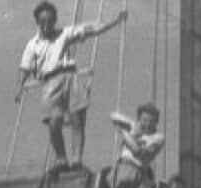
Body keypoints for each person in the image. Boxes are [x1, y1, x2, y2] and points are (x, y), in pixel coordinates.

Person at [16, 2, 127, 171]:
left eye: (50, 21)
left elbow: (91, 29)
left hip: (70, 76)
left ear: (55, 20)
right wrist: (19, 87)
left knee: (77, 121)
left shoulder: (64, 34)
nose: (46, 25)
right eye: (42, 22)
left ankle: (76, 160)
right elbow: (25, 68)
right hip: (50, 80)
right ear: (37, 22)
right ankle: (61, 159)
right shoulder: (33, 45)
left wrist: (115, 21)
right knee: (54, 122)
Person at [111, 103, 165, 185]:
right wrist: (132, 124)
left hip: (135, 170)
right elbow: (113, 116)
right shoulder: (134, 127)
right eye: (144, 120)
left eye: (151, 121)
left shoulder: (158, 137)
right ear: (139, 120)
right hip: (120, 166)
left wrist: (124, 132)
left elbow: (137, 151)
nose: (148, 124)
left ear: (156, 122)